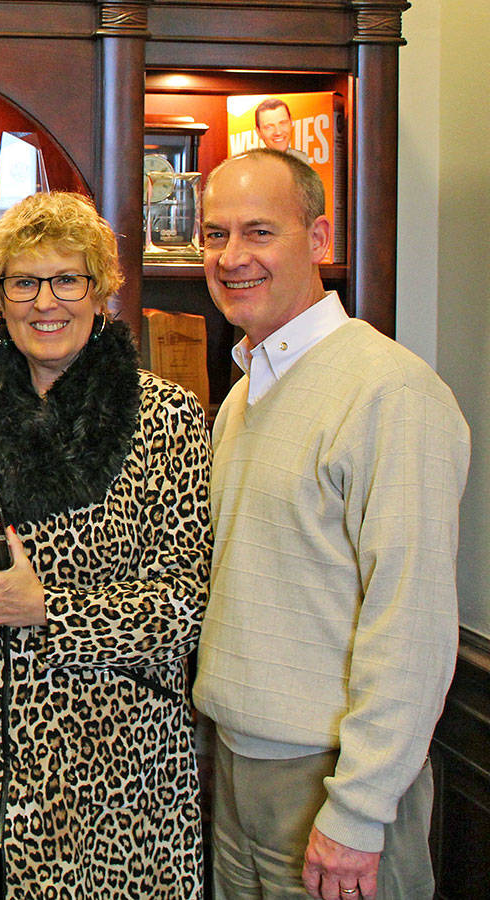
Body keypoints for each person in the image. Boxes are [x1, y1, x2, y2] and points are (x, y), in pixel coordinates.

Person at [0, 191, 212, 899]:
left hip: (112, 771)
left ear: (100, 291)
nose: (47, 302)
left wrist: (50, 611)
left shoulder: (166, 417)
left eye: (67, 279)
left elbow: (184, 605)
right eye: (24, 282)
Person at [193, 148, 469, 900]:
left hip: (330, 783)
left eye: (259, 232)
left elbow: (410, 622)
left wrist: (357, 811)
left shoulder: (392, 392)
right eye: (214, 234)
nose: (231, 256)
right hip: (241, 770)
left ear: (317, 240)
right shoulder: (247, 393)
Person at [254, 98, 312, 164]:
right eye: (269, 127)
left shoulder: (302, 159)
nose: (278, 132)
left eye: (283, 123)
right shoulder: (252, 166)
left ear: (291, 123)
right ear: (258, 132)